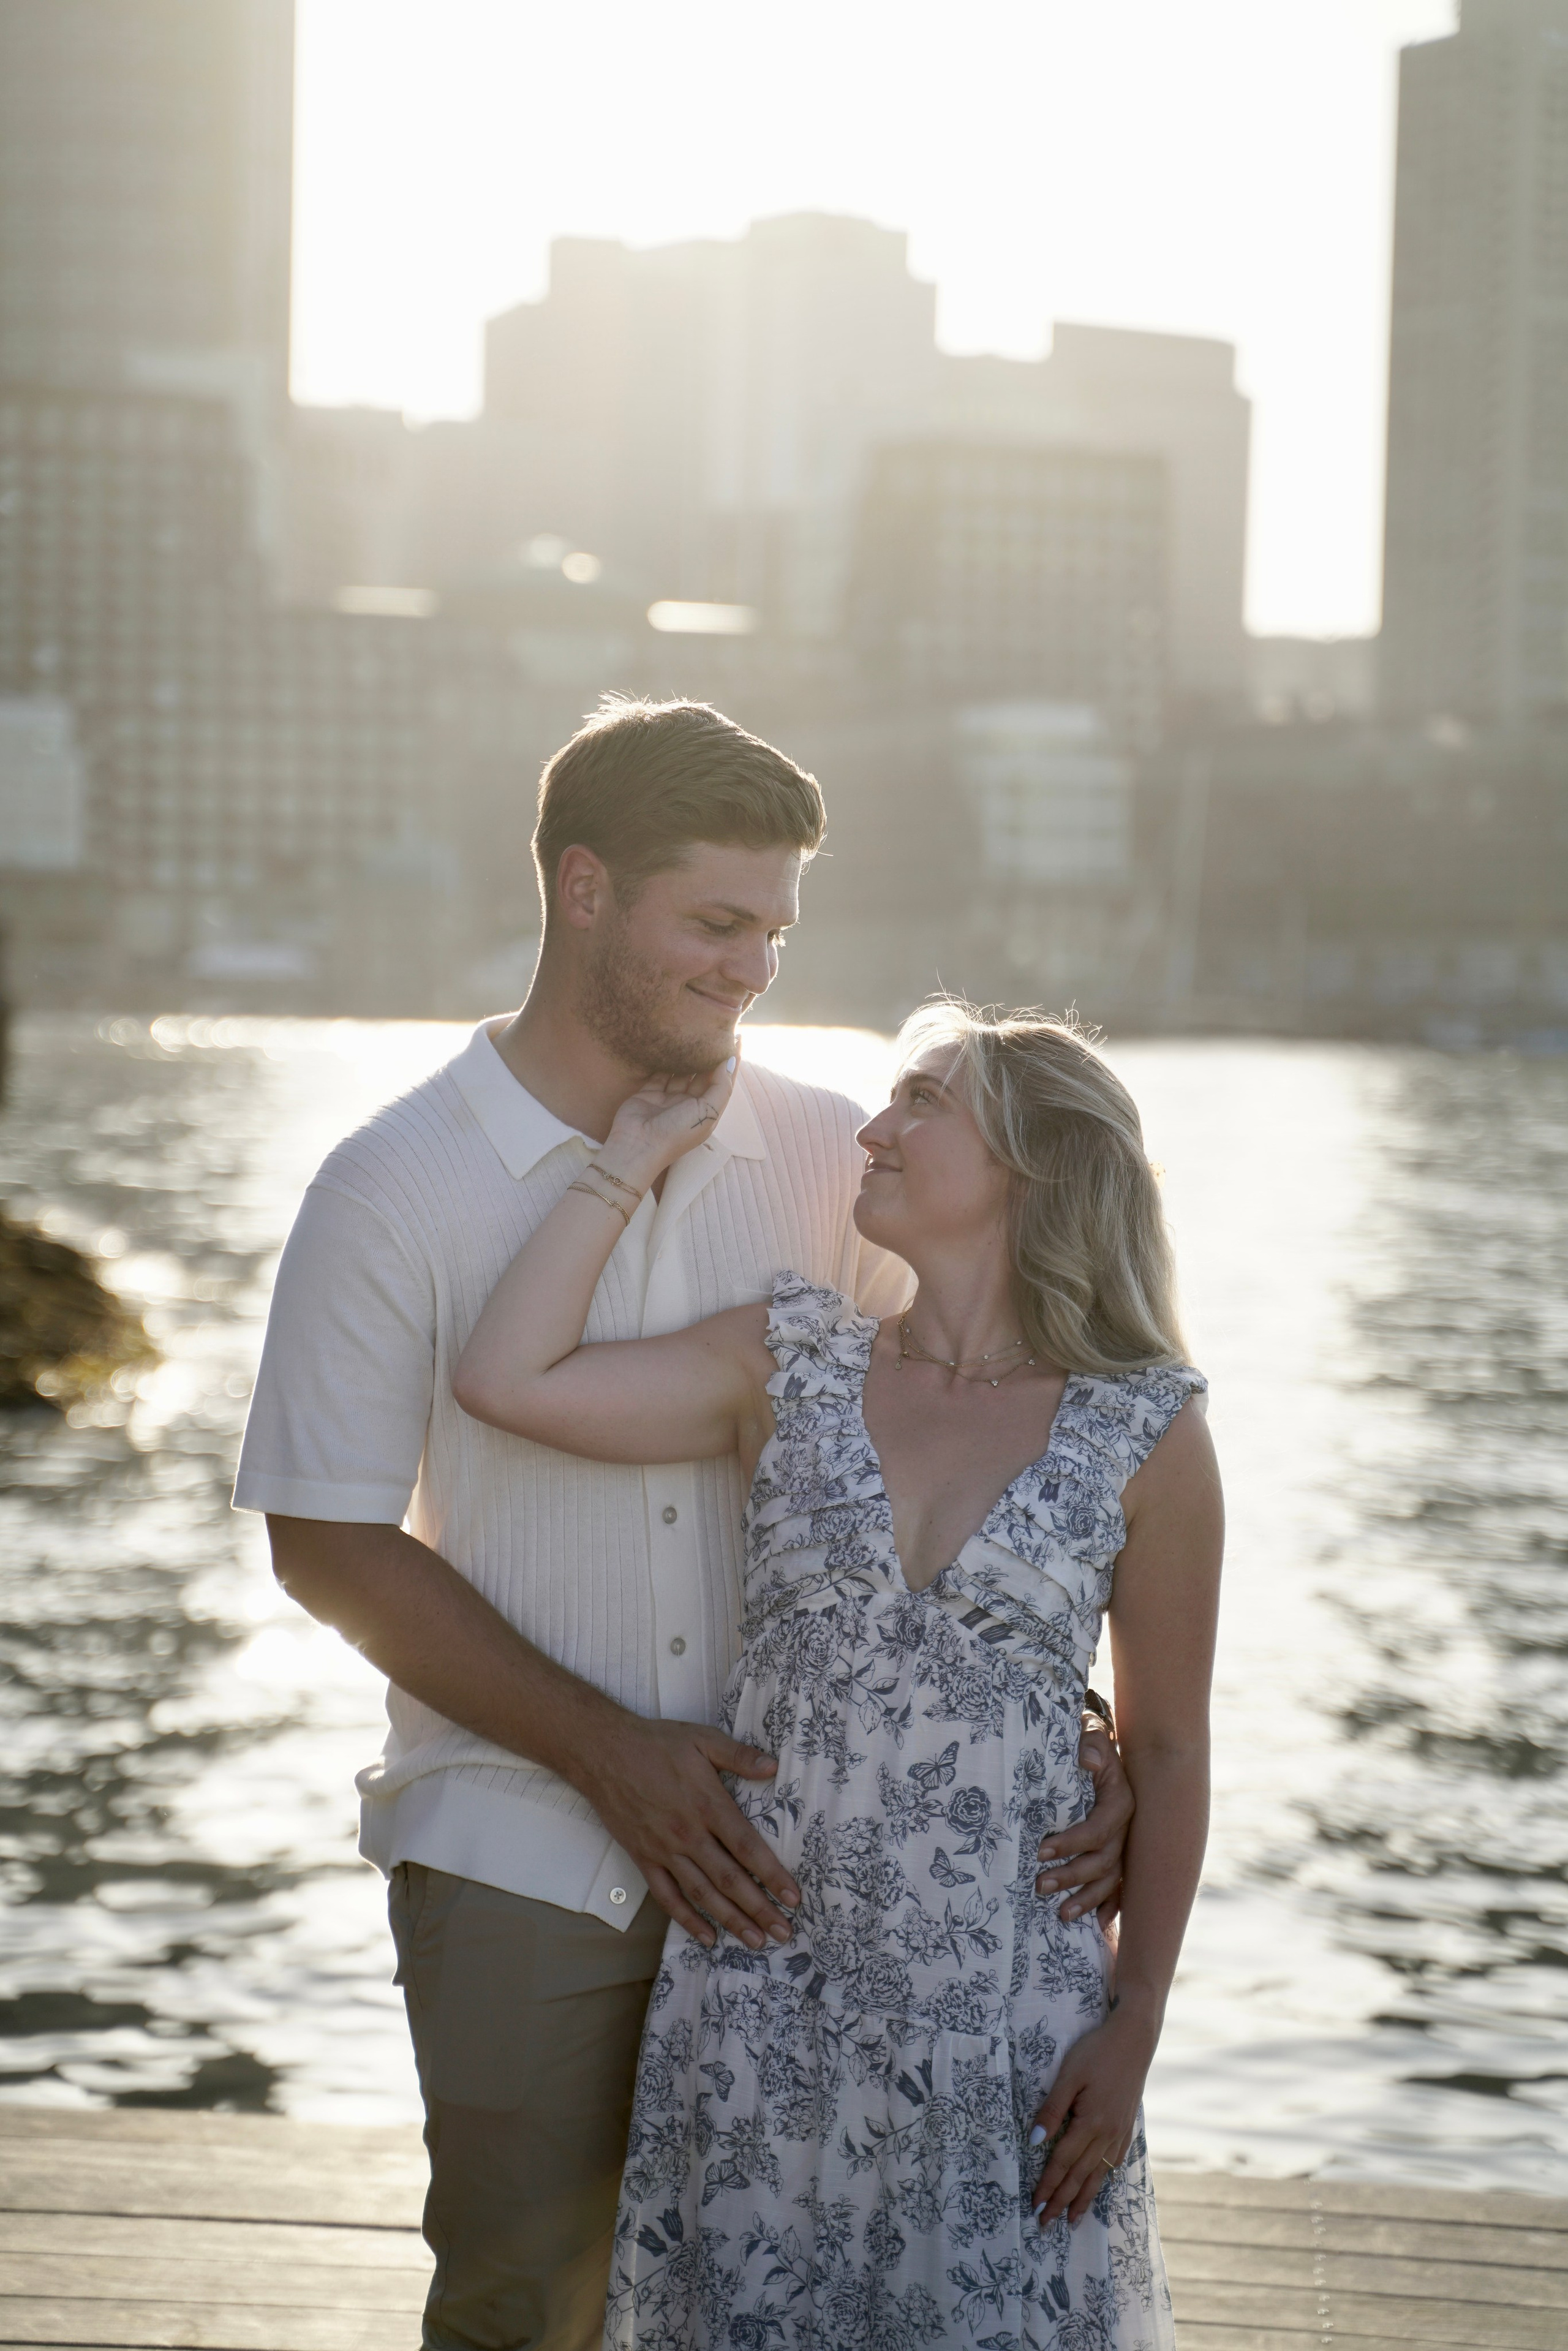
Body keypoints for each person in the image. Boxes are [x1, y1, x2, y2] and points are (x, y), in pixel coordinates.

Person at [232, 697, 1135, 2351]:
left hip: (823, 1863)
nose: (751, 968)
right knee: (526, 2302)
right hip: (516, 1841)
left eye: (777, 929)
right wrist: (609, 1751)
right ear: (585, 889)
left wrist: (1080, 1725)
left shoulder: (833, 1156)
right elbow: (327, 1540)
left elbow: (963, 1437)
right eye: (715, 922)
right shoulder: (390, 1183)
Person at [453, 1001, 1224, 2351]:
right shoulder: (790, 1358)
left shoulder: (1144, 1427)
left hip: (1009, 2015)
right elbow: (505, 1376)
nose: (874, 1127)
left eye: (923, 1101)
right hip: (764, 1997)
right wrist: (622, 1162)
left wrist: (1137, 2020)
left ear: (1034, 1163)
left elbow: (1164, 1751)